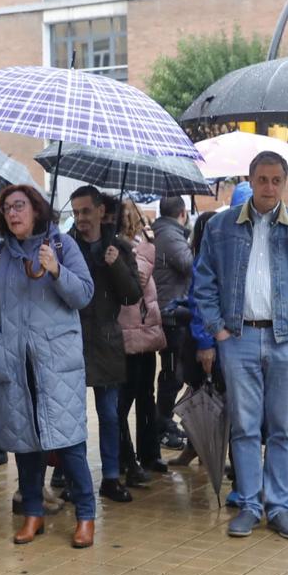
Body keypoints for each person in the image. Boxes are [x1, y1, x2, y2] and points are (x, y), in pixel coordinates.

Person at [191, 152, 288, 540]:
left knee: (283, 428)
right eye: (262, 179)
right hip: (238, 338)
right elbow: (202, 281)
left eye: (276, 180)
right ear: (250, 180)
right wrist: (218, 329)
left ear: (284, 184)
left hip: (286, 338)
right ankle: (251, 505)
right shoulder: (220, 226)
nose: (269, 187)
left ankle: (280, 506)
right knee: (245, 427)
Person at [0, 184, 101, 548]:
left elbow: (84, 294)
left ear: (35, 210)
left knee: (70, 445)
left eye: (20, 206)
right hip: (13, 362)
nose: (13, 214)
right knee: (24, 444)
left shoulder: (61, 245)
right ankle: (33, 512)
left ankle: (85, 515)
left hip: (56, 364)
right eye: (7, 209)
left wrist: (56, 269)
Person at [67, 187, 145, 503]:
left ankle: (111, 477)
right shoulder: (64, 246)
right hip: (71, 339)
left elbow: (131, 296)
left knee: (110, 415)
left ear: (100, 211)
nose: (81, 219)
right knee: (71, 416)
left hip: (106, 340)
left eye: (86, 211)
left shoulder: (119, 248)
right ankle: (71, 476)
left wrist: (115, 265)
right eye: (75, 213)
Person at [116, 197, 169, 487]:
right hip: (124, 332)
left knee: (145, 397)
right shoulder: (115, 246)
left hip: (143, 331)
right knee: (123, 400)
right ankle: (125, 457)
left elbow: (140, 282)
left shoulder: (143, 243)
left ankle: (148, 454)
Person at [151, 195, 195, 450]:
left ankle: (163, 421)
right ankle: (163, 423)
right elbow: (190, 266)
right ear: (183, 212)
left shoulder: (164, 232)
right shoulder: (170, 236)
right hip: (172, 314)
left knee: (172, 372)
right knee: (172, 373)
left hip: (170, 310)